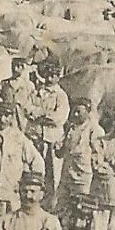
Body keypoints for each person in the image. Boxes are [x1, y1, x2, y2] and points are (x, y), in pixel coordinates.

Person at [0, 98, 45, 206]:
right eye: (0, 114)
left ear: (11, 117)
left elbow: (37, 162)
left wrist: (29, 183)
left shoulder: (19, 138)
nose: (2, 119)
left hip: (11, 194)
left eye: (6, 115)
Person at [23, 58, 70, 191]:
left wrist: (41, 115)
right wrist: (38, 114)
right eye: (47, 75)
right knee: (36, 167)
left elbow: (59, 118)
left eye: (53, 76)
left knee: (53, 170)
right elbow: (27, 108)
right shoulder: (38, 92)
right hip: (36, 136)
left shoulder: (60, 95)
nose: (49, 78)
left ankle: (51, 198)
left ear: (57, 77)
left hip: (52, 139)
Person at [55, 97, 104, 212]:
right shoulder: (71, 128)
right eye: (74, 111)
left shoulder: (95, 130)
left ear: (88, 112)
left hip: (83, 176)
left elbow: (99, 155)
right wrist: (58, 149)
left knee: (82, 207)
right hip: (67, 174)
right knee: (62, 204)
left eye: (79, 112)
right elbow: (61, 151)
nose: (76, 115)